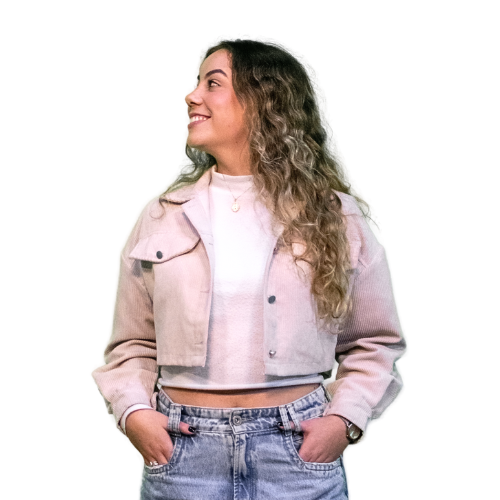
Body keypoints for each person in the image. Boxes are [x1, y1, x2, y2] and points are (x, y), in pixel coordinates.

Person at [90, 36, 409, 499]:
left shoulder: (335, 216)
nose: (191, 96)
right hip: (182, 454)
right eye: (195, 82)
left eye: (212, 83)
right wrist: (135, 414)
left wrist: (343, 421)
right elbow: (131, 343)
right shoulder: (160, 214)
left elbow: (375, 341)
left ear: (264, 100)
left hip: (295, 453)